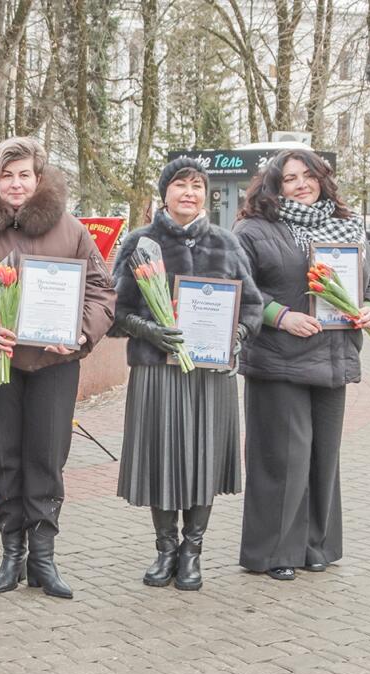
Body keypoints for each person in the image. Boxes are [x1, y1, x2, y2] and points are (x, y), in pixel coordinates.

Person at [0, 137, 115, 598]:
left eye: (24, 174)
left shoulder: (71, 230)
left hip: (53, 363)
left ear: (39, 178)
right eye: (6, 175)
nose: (15, 183)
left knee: (47, 456)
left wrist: (82, 332)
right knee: (4, 456)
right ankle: (13, 554)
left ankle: (43, 557)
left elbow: (101, 292)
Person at [110, 158, 262, 591]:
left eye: (197, 186)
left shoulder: (227, 244)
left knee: (203, 459)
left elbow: (251, 305)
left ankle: (193, 551)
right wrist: (150, 330)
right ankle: (165, 549)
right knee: (163, 460)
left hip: (210, 375)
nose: (189, 193)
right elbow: (115, 312)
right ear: (165, 193)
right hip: (158, 371)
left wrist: (235, 339)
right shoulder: (140, 243)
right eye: (180, 185)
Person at [234, 149, 370, 581]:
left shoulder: (347, 224)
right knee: (283, 457)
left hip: (334, 355)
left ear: (322, 177)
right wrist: (280, 315)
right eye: (289, 178)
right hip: (279, 358)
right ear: (273, 186)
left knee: (322, 456)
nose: (301, 184)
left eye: (308, 175)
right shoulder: (253, 229)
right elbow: (238, 287)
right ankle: (273, 552)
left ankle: (315, 544)